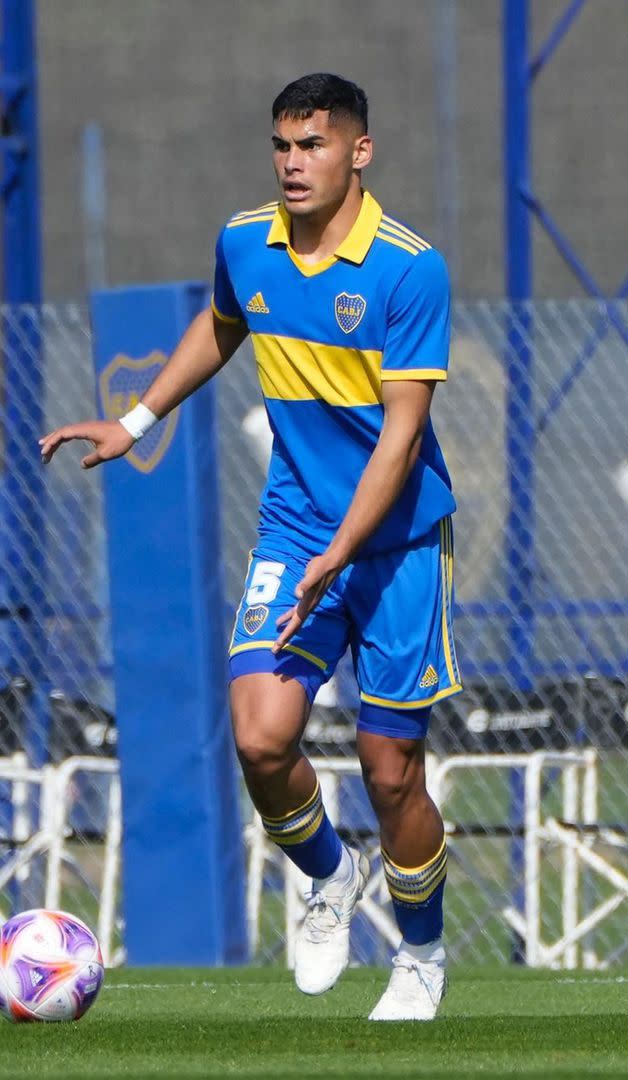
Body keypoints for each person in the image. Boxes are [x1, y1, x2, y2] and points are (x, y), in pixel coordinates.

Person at [40, 72, 461, 1021]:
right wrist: (137, 419)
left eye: (313, 145)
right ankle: (330, 875)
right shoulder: (246, 241)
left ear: (359, 151)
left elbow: (400, 439)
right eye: (281, 145)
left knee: (391, 770)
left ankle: (423, 955)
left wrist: (344, 549)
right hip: (299, 527)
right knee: (261, 738)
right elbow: (224, 324)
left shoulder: (406, 268)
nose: (293, 163)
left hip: (393, 542)